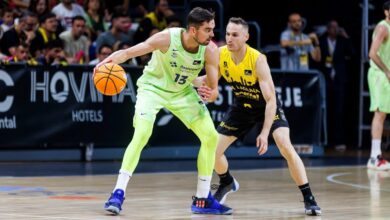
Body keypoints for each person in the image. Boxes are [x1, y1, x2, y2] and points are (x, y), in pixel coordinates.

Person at [95, 7, 232, 215]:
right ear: (193, 30)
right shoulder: (167, 38)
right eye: (208, 30)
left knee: (211, 137)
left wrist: (211, 93)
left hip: (182, 92)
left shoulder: (211, 50)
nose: (213, 34)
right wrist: (107, 62)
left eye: (213, 29)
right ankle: (117, 193)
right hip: (153, 89)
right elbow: (130, 52)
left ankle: (203, 199)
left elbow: (212, 87)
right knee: (142, 134)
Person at [196, 17, 321, 216]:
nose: (229, 38)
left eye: (235, 35)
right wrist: (182, 78)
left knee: (284, 144)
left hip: (266, 106)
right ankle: (227, 181)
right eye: (227, 34)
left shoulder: (257, 59)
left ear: (246, 37)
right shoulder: (220, 54)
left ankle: (309, 198)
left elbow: (271, 100)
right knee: (211, 151)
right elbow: (208, 79)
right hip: (242, 107)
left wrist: (264, 133)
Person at [318, 20, 354, 152]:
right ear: (327, 29)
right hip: (325, 78)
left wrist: (346, 36)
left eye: (336, 27)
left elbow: (351, 53)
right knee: (324, 109)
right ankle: (324, 139)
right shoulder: (322, 40)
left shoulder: (342, 40)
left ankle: (339, 140)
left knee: (339, 111)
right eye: (332, 27)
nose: (335, 29)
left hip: (339, 79)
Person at [366, 1, 390, 171]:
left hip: (385, 75)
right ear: (386, 11)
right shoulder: (383, 27)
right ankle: (375, 157)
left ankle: (376, 156)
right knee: (380, 114)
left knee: (382, 114)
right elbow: (372, 53)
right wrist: (387, 71)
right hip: (379, 75)